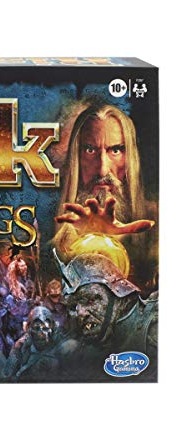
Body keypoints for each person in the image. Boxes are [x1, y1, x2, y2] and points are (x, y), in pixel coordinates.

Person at [53, 105, 156, 288]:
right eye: (90, 150)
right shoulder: (46, 233)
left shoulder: (159, 222)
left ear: (130, 157)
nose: (102, 169)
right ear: (76, 158)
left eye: (115, 150)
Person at [55, 251, 157, 380]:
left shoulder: (154, 327)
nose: (80, 313)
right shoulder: (83, 347)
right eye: (73, 307)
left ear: (118, 295)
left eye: (90, 300)